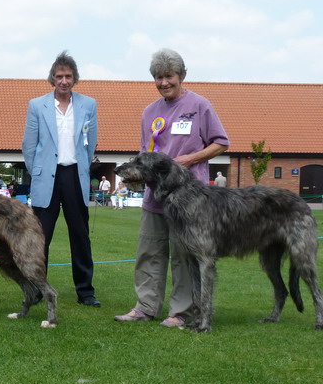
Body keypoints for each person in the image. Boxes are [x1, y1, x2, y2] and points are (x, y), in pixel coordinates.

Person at [115, 48, 229, 328]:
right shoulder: (149, 112)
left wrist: (190, 158)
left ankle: (181, 312)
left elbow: (221, 142)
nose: (164, 82)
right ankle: (145, 307)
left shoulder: (199, 106)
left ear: (182, 76)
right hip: (156, 197)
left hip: (190, 200)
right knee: (149, 252)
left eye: (169, 76)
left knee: (183, 255)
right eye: (158, 77)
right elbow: (145, 153)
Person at [22, 51, 100, 307]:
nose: (64, 81)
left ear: (75, 78)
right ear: (52, 79)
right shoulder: (37, 105)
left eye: (68, 76)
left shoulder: (88, 105)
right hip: (47, 178)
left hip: (75, 175)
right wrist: (39, 173)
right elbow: (29, 146)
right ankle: (35, 289)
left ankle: (85, 291)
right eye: (59, 76)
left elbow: (90, 145)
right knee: (40, 237)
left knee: (80, 236)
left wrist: (83, 170)